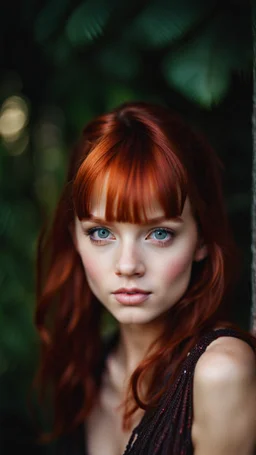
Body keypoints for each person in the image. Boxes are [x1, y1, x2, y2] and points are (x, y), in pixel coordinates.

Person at [35, 101, 256, 455]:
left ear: (201, 238)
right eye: (101, 233)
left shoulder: (221, 374)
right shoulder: (85, 373)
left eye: (159, 234)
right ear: (74, 236)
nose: (127, 265)